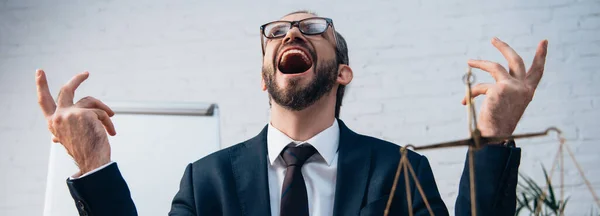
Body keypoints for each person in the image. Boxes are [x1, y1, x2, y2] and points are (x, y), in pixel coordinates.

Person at [35, 10, 548, 216]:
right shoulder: (207, 182)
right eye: (276, 33)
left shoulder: (399, 171)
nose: (292, 34)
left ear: (342, 72)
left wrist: (494, 133)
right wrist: (95, 163)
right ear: (264, 78)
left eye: (311, 28)